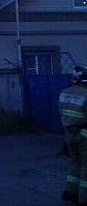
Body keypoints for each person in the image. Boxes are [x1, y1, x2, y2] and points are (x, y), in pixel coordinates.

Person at [59, 66, 87, 204]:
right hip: (84, 135)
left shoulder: (64, 93)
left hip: (69, 134)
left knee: (75, 162)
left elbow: (63, 114)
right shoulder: (86, 94)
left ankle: (70, 192)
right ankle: (83, 198)